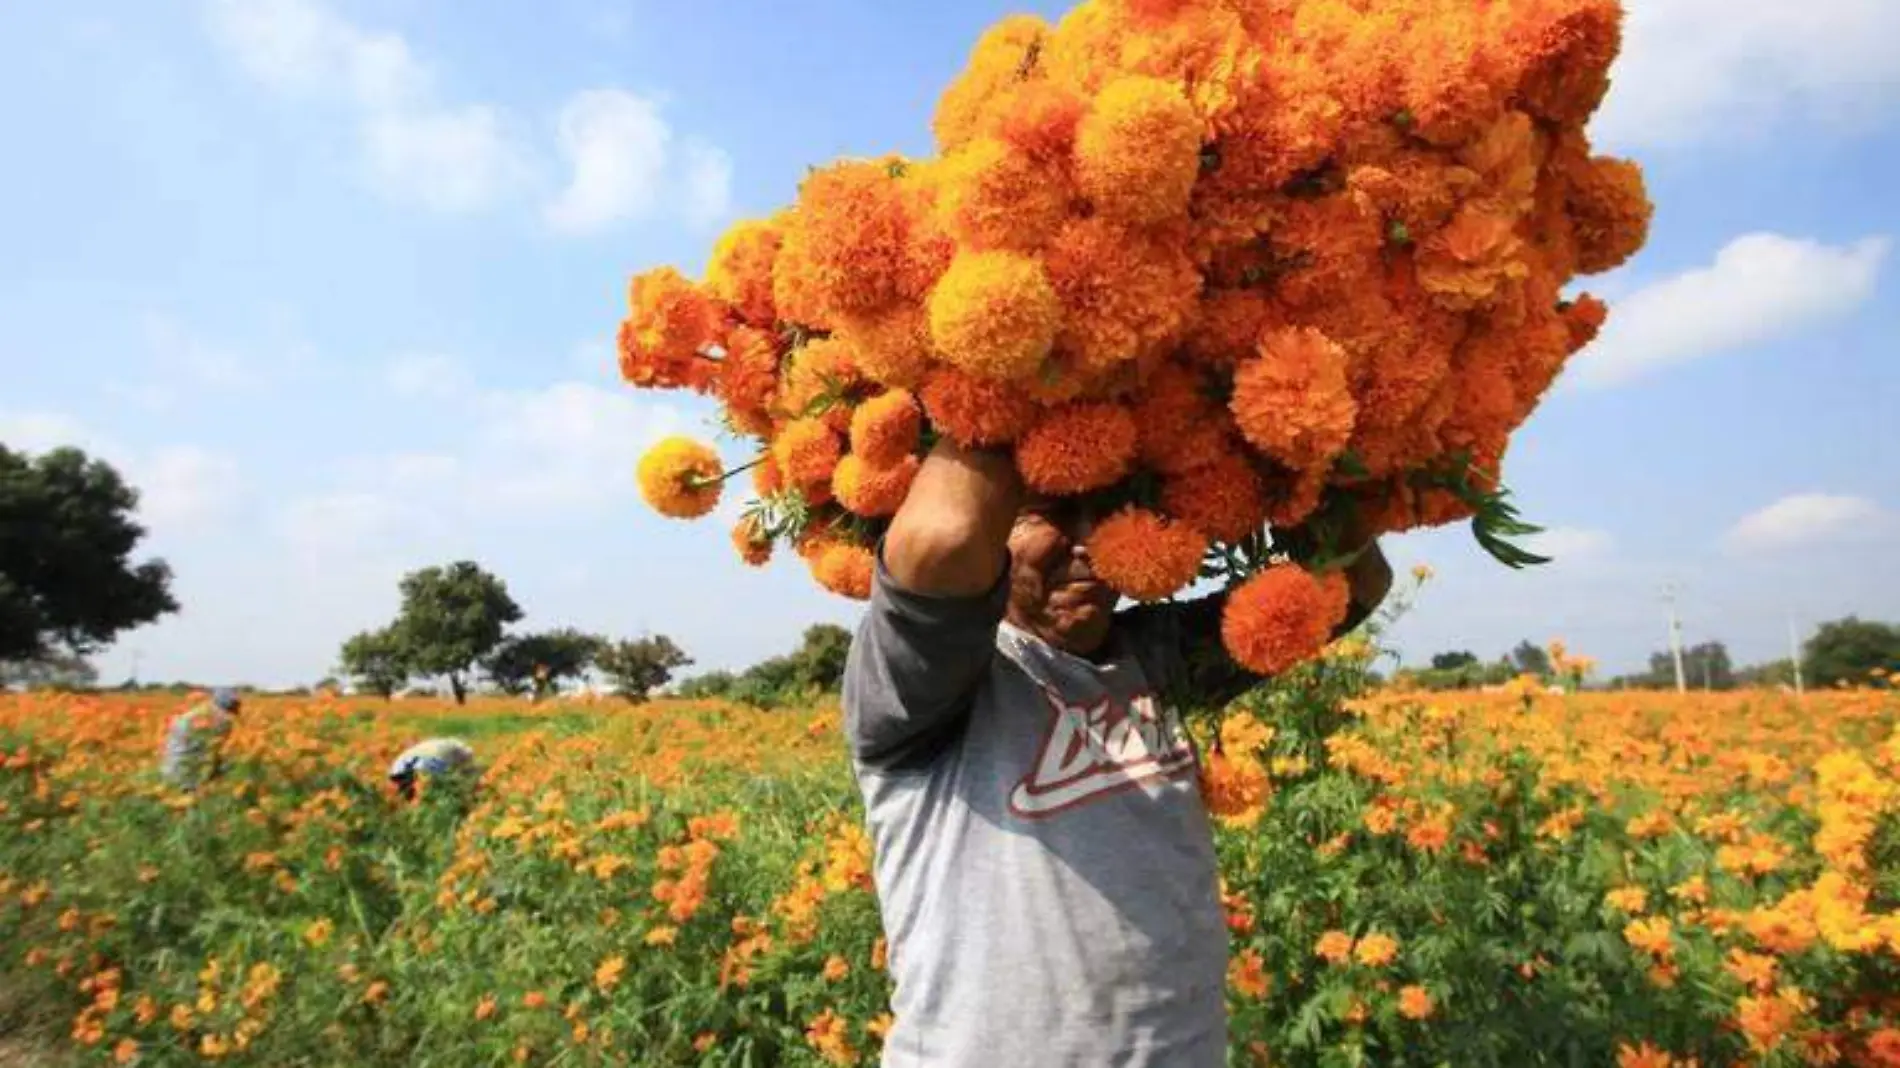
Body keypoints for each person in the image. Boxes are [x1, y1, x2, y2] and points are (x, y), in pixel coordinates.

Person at [842, 441, 1391, 1067]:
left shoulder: (1158, 659)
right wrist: (1009, 390)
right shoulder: (922, 684)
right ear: (997, 520)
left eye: (1110, 512)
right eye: (1049, 509)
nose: (1086, 544)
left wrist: (1274, 450)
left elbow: (1353, 582)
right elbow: (943, 538)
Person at [159, 688, 242, 791]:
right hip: (187, 776)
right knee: (229, 764)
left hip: (170, 771)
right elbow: (215, 753)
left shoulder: (198, 712)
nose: (232, 716)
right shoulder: (220, 719)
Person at [387, 737, 478, 800]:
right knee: (432, 795)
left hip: (398, 765)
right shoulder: (459, 751)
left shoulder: (439, 744)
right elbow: (465, 772)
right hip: (425, 764)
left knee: (407, 797)